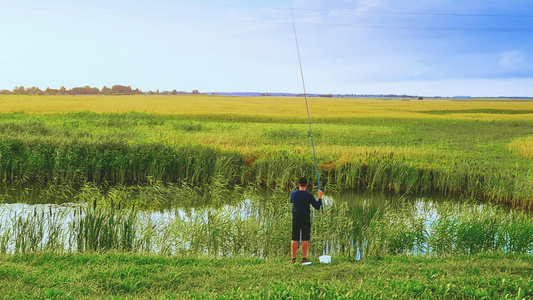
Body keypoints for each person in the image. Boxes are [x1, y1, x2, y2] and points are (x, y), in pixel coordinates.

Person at [290, 177, 323, 264]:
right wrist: (320, 198)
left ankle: (293, 259)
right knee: (305, 238)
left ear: (298, 184)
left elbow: (291, 201)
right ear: (307, 185)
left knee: (294, 238)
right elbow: (317, 206)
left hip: (296, 217)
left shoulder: (293, 194)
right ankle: (304, 258)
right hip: (305, 217)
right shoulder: (309, 196)